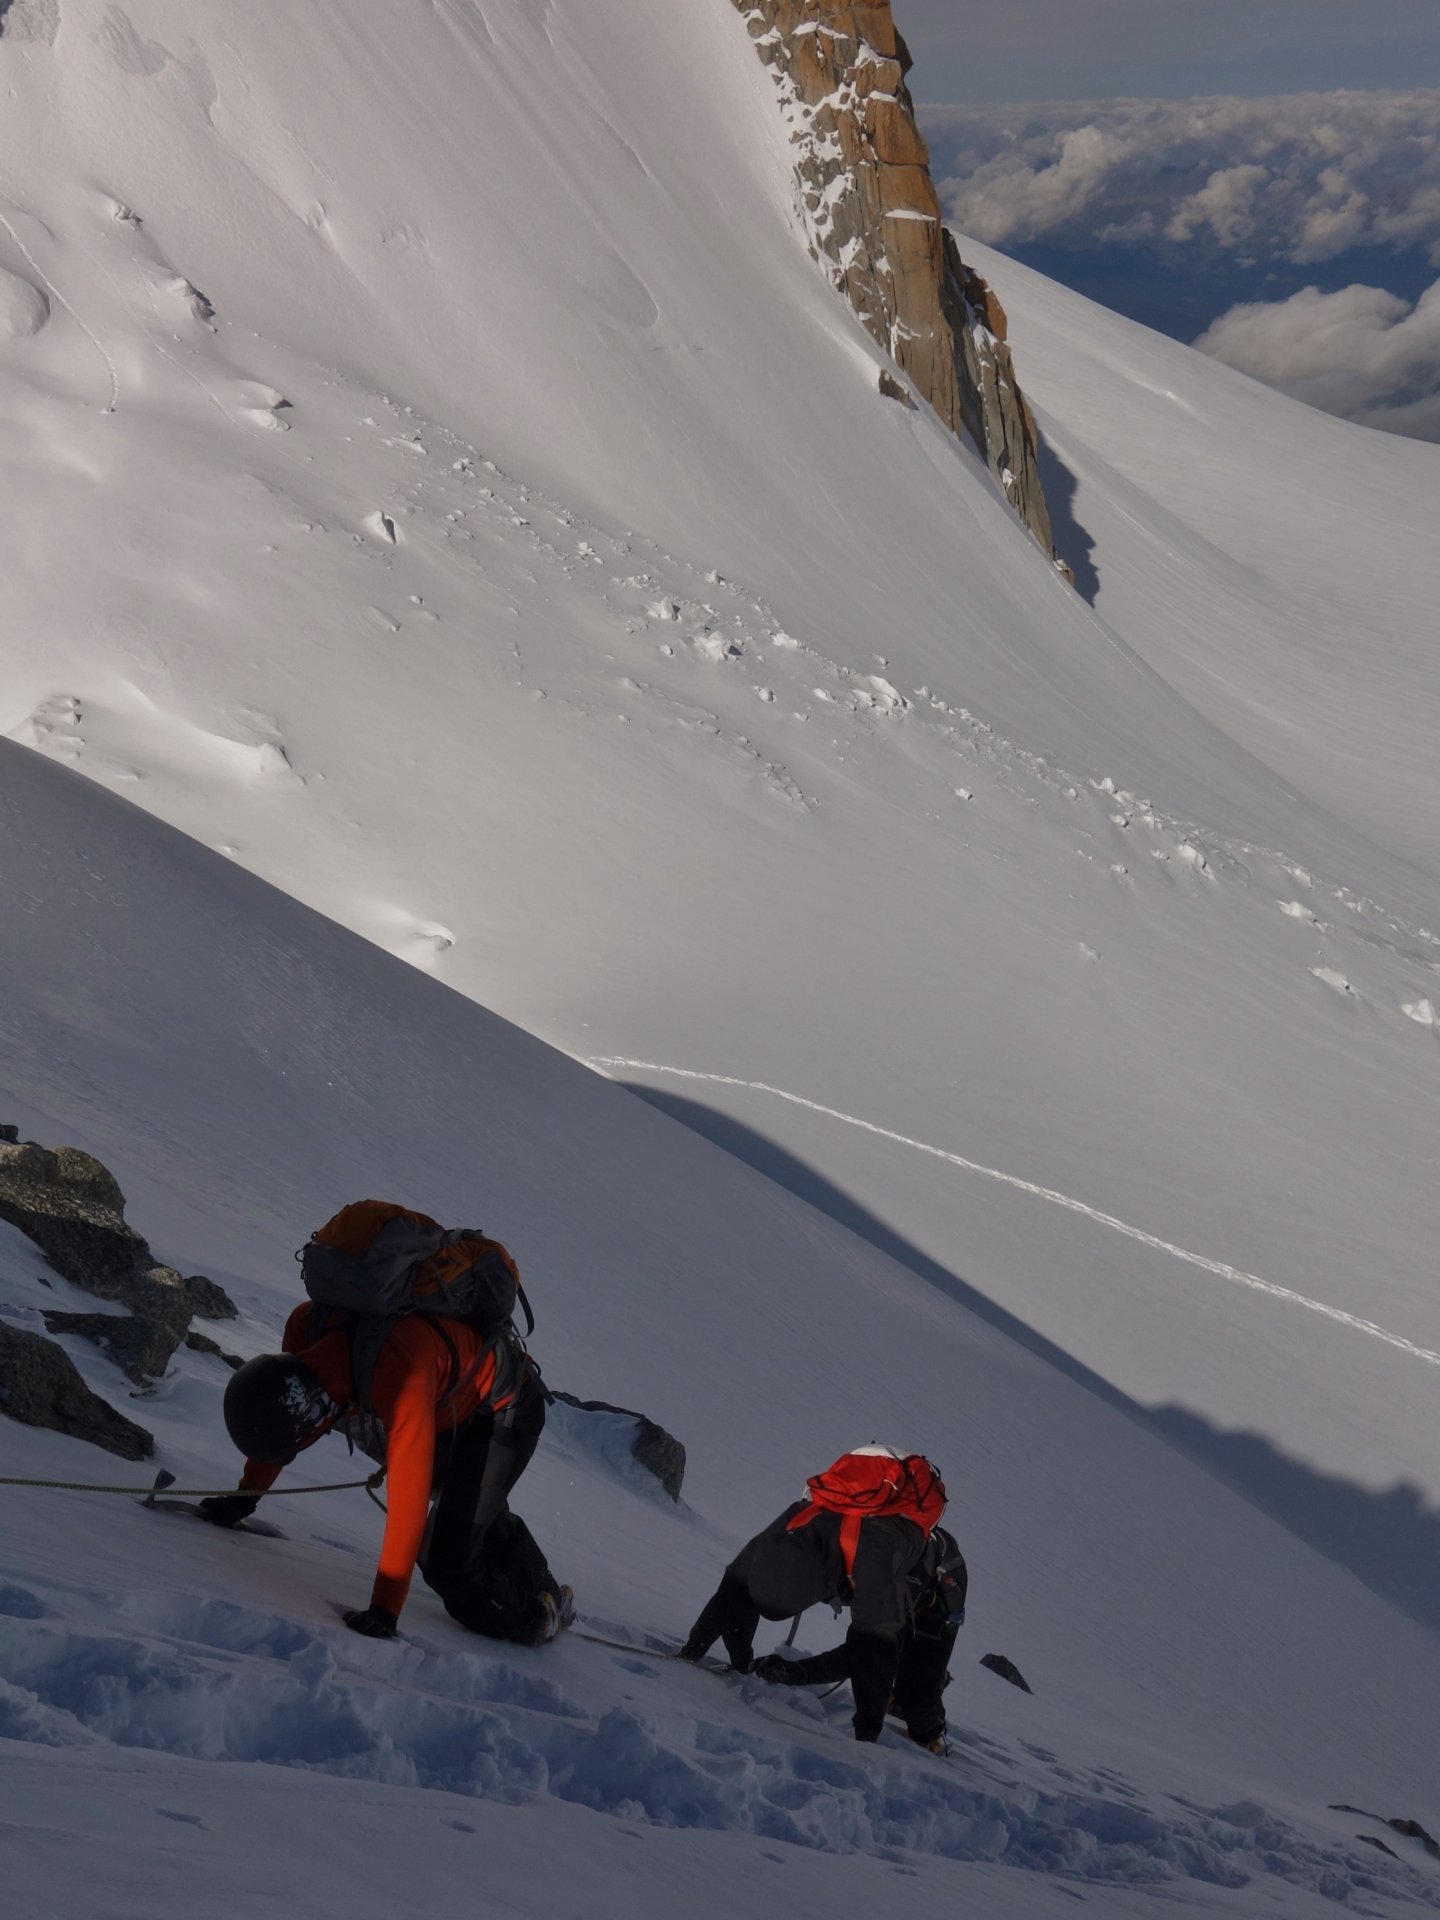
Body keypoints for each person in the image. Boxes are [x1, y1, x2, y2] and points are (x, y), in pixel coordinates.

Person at [204, 1295, 570, 1646]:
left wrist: (385, 1608)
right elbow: (282, 1421)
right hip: (451, 1403)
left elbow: (407, 1500)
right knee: (460, 1512)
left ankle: (536, 1619)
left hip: (505, 1409)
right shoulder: (307, 1326)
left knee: (447, 1565)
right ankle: (536, 1580)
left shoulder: (400, 1371)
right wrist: (244, 1497)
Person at [680, 1445, 964, 1745]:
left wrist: (798, 1675)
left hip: (941, 1584)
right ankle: (909, 1690)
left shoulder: (876, 1560)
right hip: (874, 1567)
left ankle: (929, 1724)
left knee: (914, 1695)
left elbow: (867, 1652)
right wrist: (705, 1653)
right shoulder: (798, 1520)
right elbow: (737, 1585)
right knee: (887, 1651)